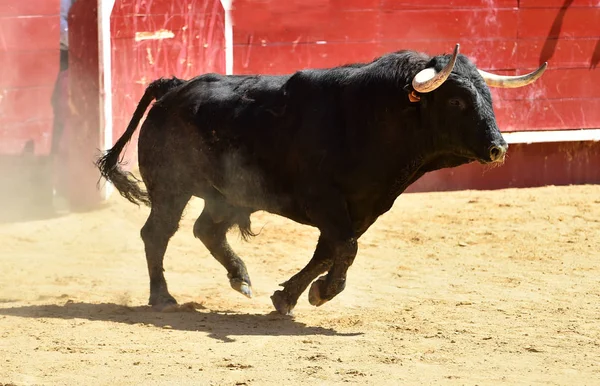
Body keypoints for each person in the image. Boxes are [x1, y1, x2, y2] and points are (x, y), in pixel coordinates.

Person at [50, 0, 75, 211]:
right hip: (65, 62)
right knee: (65, 126)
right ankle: (61, 190)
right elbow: (59, 29)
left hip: (75, 62)